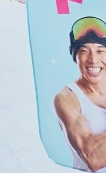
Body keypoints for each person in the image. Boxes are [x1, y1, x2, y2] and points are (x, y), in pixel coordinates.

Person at [55, 16, 106, 172]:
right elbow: (92, 157)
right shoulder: (67, 98)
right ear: (75, 57)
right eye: (84, 51)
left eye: (100, 51)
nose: (93, 59)